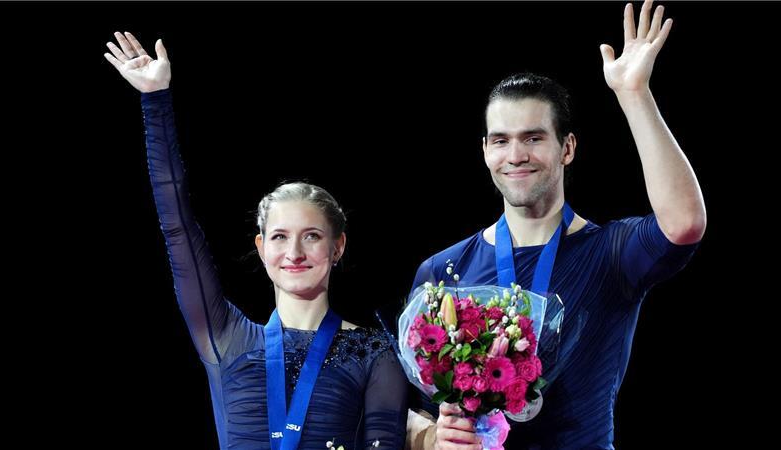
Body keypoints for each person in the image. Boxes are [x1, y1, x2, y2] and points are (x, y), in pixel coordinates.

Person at [401, 1, 706, 448]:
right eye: (501, 140)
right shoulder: (442, 271)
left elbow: (684, 223)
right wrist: (432, 436)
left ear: (567, 148)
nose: (516, 155)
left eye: (533, 138)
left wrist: (634, 94)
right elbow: (407, 406)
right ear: (485, 151)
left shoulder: (610, 253)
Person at [104, 32, 408, 450]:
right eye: (280, 237)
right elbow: (177, 227)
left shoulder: (373, 352)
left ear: (337, 247)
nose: (294, 253)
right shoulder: (227, 338)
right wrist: (155, 100)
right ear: (262, 248)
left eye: (312, 236)